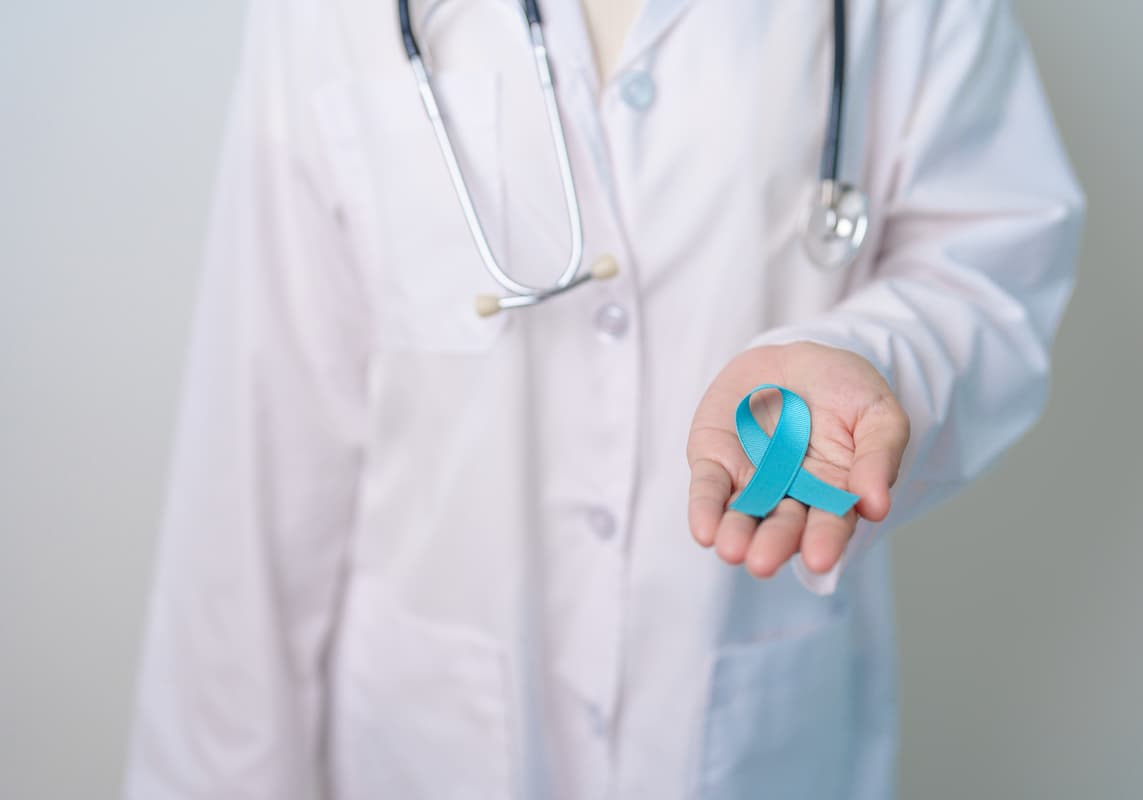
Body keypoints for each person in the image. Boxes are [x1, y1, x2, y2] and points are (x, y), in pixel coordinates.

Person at [123, 0, 1084, 797]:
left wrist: (875, 356)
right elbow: (260, 453)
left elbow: (991, 260)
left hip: (751, 736)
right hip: (422, 744)